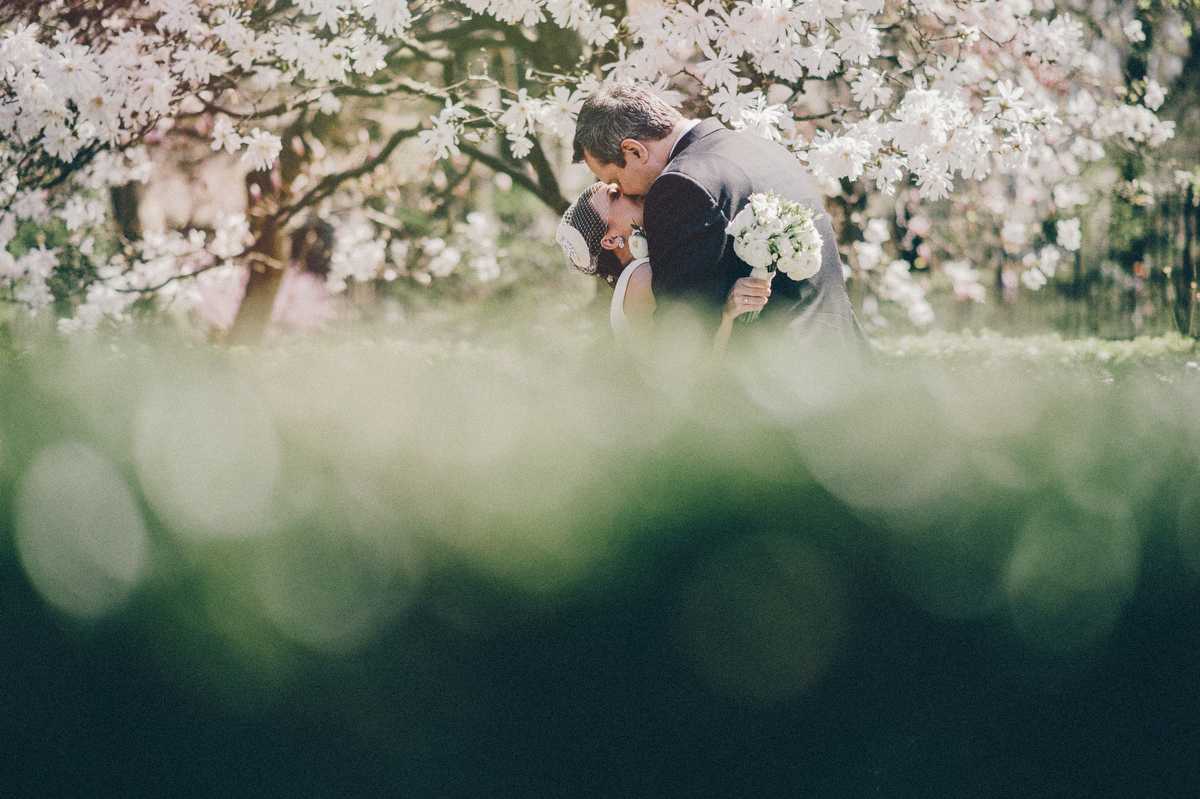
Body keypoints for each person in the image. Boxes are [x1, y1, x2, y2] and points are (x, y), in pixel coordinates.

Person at [571, 83, 870, 356]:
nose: (623, 191)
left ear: (634, 150)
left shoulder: (680, 185)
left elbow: (684, 331)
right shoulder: (765, 149)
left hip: (779, 386)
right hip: (843, 357)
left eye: (615, 179)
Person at [556, 181, 770, 355]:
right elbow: (693, 365)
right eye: (615, 195)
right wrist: (726, 314)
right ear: (611, 239)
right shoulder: (641, 276)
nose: (626, 189)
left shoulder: (642, 270)